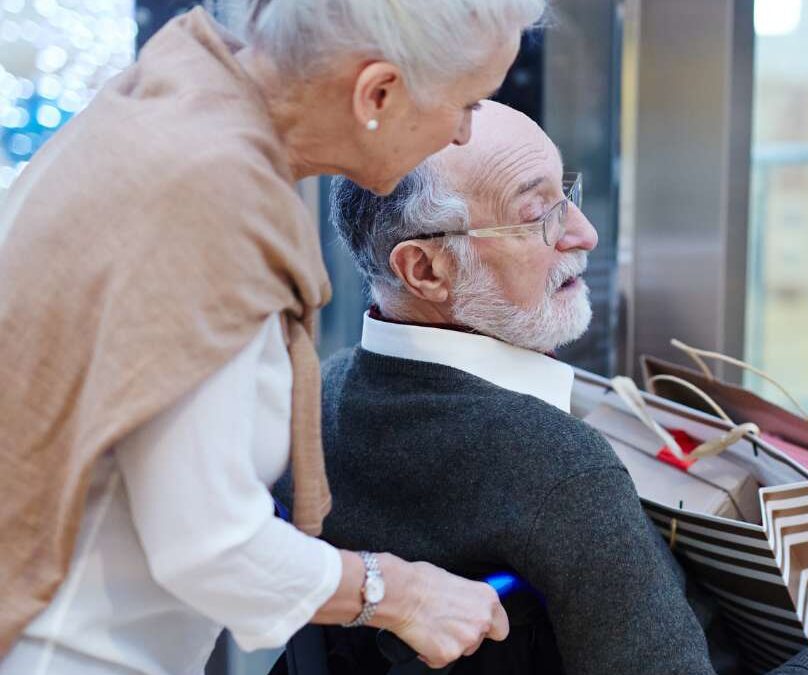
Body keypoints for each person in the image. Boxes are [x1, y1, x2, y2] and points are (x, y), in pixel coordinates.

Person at [287, 100, 808, 674]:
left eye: (565, 193)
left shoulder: (318, 397)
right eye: (538, 215)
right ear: (426, 269)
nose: (584, 233)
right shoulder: (556, 465)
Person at [0, 2, 546, 673]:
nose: (464, 134)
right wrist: (401, 593)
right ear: (377, 92)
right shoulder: (205, 204)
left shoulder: (165, 107)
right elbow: (209, 544)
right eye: (467, 103)